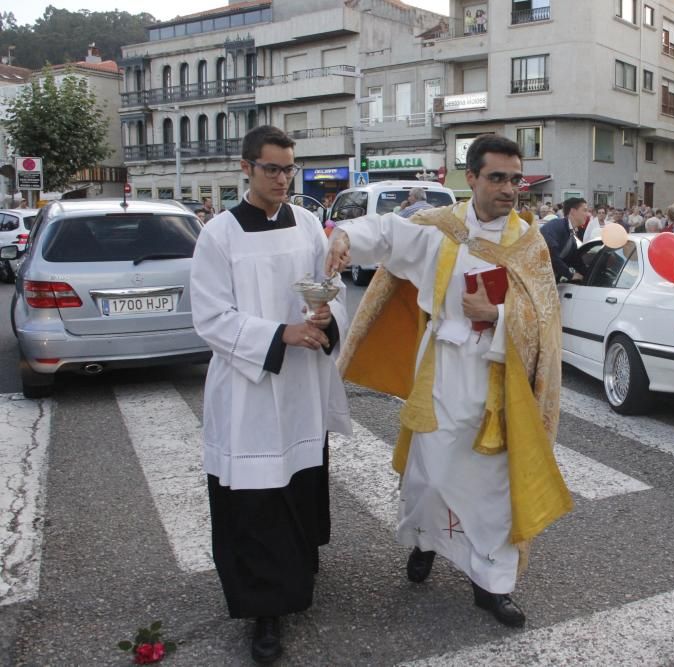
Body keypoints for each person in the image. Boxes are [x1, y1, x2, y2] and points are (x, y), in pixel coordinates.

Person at [326, 134, 572, 628]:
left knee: (493, 487)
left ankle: (492, 584)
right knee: (431, 474)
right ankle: (425, 542)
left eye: (515, 179)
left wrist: (499, 315)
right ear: (473, 179)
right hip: (440, 370)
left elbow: (545, 318)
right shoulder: (441, 229)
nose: (509, 189)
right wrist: (348, 238)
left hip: (498, 382)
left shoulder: (529, 244)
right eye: (497, 177)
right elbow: (390, 235)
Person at [189, 125, 351, 664]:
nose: (283, 179)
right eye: (272, 169)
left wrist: (325, 318)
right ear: (246, 168)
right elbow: (210, 317)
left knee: (300, 482)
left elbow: (329, 289)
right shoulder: (220, 235)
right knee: (256, 498)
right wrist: (281, 333)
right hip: (249, 389)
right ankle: (264, 611)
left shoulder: (308, 225)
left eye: (289, 169)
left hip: (301, 384)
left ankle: (299, 575)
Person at [541, 197, 589, 282]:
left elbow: (574, 259)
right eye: (584, 210)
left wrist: (588, 274)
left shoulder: (572, 232)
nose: (587, 214)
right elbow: (550, 253)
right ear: (573, 211)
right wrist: (569, 275)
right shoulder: (555, 226)